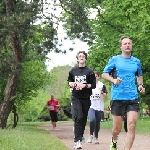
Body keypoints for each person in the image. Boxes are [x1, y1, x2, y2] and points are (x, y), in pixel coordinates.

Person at [102, 36, 145, 150]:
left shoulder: (136, 61)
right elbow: (104, 74)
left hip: (132, 97)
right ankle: (114, 140)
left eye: (129, 43)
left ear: (131, 46)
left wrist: (140, 85)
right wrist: (113, 80)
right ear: (121, 46)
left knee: (131, 124)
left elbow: (139, 75)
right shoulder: (115, 60)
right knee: (117, 128)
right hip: (117, 97)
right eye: (125, 44)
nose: (127, 45)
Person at [68, 51, 96, 149]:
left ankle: (80, 139)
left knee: (83, 119)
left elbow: (93, 85)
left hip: (86, 98)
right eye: (80, 56)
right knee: (78, 117)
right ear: (77, 58)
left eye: (83, 56)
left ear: (85, 59)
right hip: (76, 97)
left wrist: (84, 85)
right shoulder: (73, 71)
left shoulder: (90, 71)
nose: (81, 57)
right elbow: (70, 81)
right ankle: (77, 141)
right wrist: (72, 84)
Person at [87, 71, 108, 144]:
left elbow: (106, 96)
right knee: (92, 120)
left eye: (96, 76)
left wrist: (102, 92)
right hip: (91, 106)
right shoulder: (89, 85)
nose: (94, 78)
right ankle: (90, 135)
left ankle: (96, 137)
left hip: (99, 107)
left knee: (97, 123)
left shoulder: (102, 85)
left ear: (98, 77)